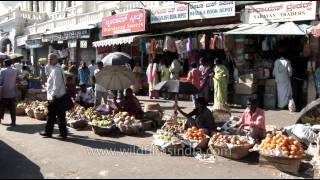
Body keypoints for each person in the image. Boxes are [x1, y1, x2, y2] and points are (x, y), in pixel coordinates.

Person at [40, 53, 68, 139]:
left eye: (51, 59)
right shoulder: (55, 69)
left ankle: (52, 133)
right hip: (58, 96)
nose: (49, 61)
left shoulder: (56, 70)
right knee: (56, 116)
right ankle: (57, 133)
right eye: (48, 59)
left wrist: (52, 96)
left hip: (56, 97)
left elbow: (57, 85)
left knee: (55, 116)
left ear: (56, 60)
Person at [0, 59, 18, 126]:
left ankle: (0, 119)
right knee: (12, 108)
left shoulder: (2, 71)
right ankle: (13, 122)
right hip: (12, 92)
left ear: (5, 64)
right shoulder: (15, 70)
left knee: (1, 107)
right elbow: (16, 79)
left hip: (4, 92)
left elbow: (1, 81)